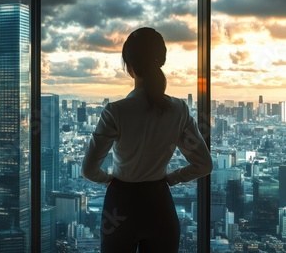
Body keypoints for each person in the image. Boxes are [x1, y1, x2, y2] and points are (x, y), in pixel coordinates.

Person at [81, 27, 213, 253]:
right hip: (159, 204)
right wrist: (171, 179)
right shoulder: (178, 109)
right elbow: (204, 165)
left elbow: (88, 170)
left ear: (130, 68)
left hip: (120, 205)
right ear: (159, 61)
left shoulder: (115, 111)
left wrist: (110, 179)